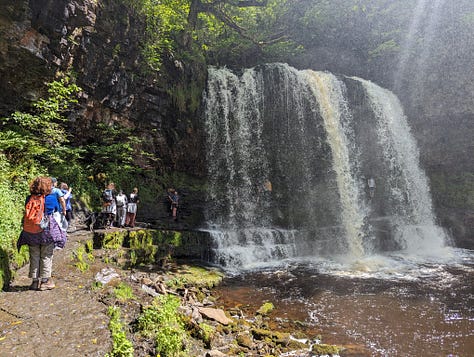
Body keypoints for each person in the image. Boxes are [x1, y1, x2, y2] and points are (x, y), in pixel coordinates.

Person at [17, 176, 67, 291]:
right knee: (46, 255)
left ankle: (34, 282)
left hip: (30, 231)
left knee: (34, 255)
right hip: (46, 231)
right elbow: (55, 209)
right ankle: (45, 282)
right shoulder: (51, 198)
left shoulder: (29, 198)